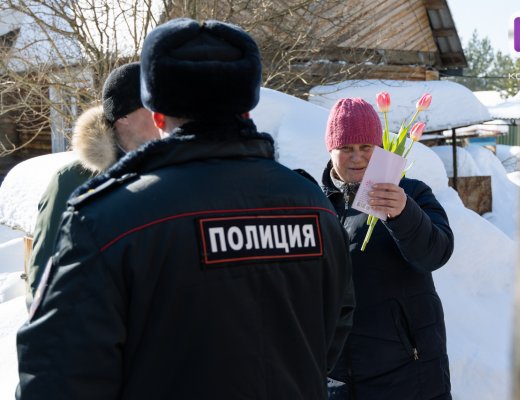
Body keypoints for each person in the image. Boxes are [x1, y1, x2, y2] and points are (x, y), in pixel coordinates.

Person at [17, 18, 354, 400]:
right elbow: (332, 330)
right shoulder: (314, 207)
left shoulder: (107, 218)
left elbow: (58, 375)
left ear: (158, 116)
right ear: (246, 108)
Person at [322, 98, 454, 400]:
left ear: (380, 147)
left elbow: (436, 253)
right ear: (330, 149)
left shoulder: (411, 193)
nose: (357, 158)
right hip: (338, 377)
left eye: (366, 147)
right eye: (346, 148)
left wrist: (404, 214)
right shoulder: (316, 205)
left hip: (407, 372)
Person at [25, 62, 159, 309]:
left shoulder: (168, 170)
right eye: (152, 107)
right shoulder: (72, 180)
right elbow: (46, 272)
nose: (162, 115)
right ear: (124, 116)